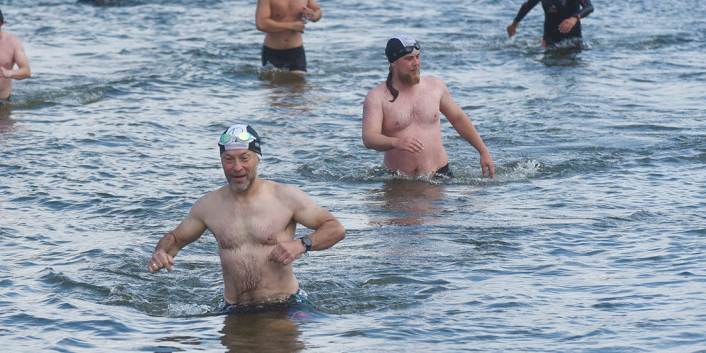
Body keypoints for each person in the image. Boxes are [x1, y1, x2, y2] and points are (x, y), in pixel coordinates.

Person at [147, 124, 345, 312]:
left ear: (258, 158)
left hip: (283, 305)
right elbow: (175, 239)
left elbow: (335, 228)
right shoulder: (208, 206)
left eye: (244, 158)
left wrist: (301, 244)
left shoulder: (285, 197)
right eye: (228, 159)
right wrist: (161, 252)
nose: (237, 167)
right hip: (233, 308)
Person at [362, 35, 495, 179]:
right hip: (397, 180)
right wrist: (396, 142)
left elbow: (458, 119)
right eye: (409, 59)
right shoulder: (377, 96)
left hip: (439, 175)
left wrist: (483, 151)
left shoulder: (435, 87)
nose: (416, 63)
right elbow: (369, 138)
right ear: (393, 62)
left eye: (418, 57)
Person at [255, 0, 322, 74]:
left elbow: (318, 11)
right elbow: (261, 24)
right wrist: (291, 26)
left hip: (296, 51)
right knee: (273, 90)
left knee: (299, 87)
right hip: (272, 51)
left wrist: (313, 15)